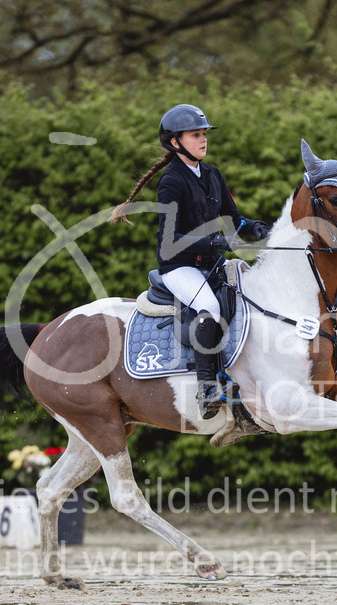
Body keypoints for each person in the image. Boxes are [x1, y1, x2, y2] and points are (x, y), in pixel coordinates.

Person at [110, 104, 270, 419]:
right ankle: (207, 387)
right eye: (195, 135)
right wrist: (214, 241)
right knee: (208, 307)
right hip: (179, 266)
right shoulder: (171, 182)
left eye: (204, 134)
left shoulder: (212, 175)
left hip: (210, 264)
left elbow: (233, 219)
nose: (203, 139)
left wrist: (257, 229)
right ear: (175, 142)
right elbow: (170, 239)